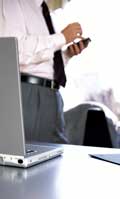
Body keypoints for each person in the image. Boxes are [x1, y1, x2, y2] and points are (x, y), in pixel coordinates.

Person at [0, 0, 89, 143]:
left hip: (53, 95)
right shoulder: (13, 2)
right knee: (29, 157)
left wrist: (66, 55)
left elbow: (44, 64)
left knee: (53, 158)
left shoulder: (45, 12)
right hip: (28, 94)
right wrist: (62, 37)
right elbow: (14, 50)